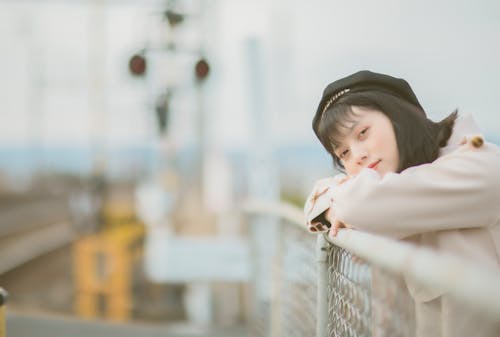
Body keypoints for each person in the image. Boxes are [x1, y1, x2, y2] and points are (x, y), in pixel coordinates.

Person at [303, 70, 500, 337]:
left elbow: (358, 206)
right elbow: (327, 197)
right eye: (344, 153)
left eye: (362, 133)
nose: (358, 156)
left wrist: (337, 203)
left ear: (397, 115)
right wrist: (335, 202)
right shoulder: (398, 188)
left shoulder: (479, 166)